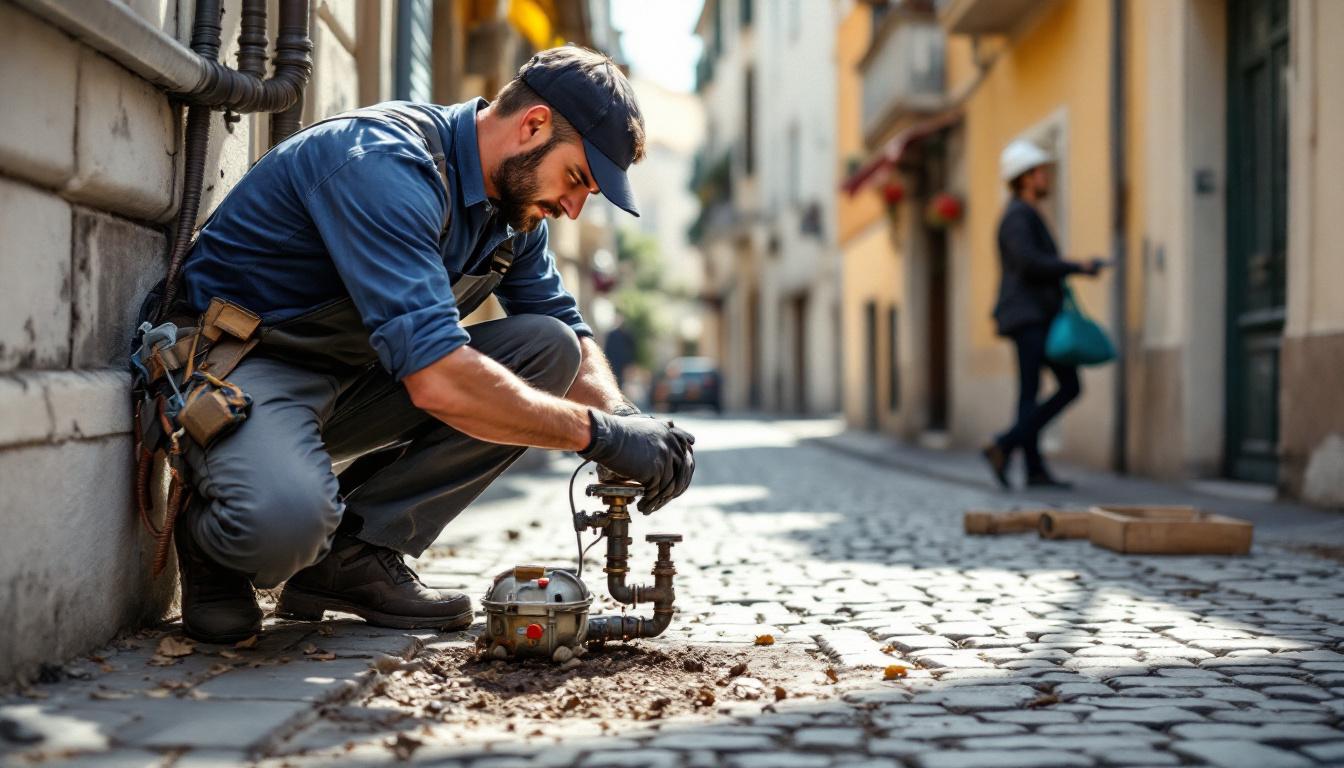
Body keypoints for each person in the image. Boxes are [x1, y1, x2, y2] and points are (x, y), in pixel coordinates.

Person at [152, 46, 696, 643]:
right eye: (576, 179)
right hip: (246, 365)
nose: (572, 207)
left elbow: (567, 330)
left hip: (358, 374)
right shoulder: (384, 163)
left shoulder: (511, 212)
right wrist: (600, 435)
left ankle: (354, 558)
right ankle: (214, 541)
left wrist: (626, 421)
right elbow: (438, 379)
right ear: (533, 125)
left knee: (550, 350)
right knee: (284, 527)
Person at [981, 140, 1104, 489]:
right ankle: (1006, 446)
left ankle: (1026, 464)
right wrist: (1075, 265)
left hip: (1035, 315)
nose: (1046, 177)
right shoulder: (1018, 215)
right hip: (1028, 317)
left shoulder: (1025, 214)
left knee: (1038, 391)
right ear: (1025, 178)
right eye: (1041, 172)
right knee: (1062, 386)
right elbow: (1028, 262)